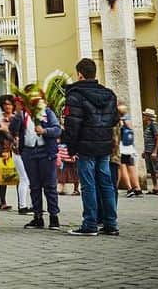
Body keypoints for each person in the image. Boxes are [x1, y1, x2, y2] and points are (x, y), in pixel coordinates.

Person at [62, 58, 120, 237]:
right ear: (94, 73)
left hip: (85, 146)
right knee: (106, 184)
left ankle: (90, 223)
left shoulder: (75, 96)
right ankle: (111, 223)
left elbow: (73, 125)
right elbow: (114, 120)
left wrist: (71, 149)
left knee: (88, 185)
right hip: (104, 145)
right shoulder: (109, 95)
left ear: (79, 74)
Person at [10, 87, 61, 230]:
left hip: (45, 152)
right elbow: (13, 129)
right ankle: (37, 217)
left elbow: (57, 129)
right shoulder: (24, 114)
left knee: (50, 186)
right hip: (29, 152)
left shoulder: (47, 112)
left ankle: (53, 217)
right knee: (34, 186)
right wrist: (18, 112)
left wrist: (45, 131)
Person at [117, 103, 141, 197]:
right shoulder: (128, 119)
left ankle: (129, 188)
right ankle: (137, 188)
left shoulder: (120, 121)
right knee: (131, 167)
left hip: (122, 148)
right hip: (129, 148)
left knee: (122, 168)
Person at [142, 108, 158, 196]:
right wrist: (145, 151)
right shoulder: (148, 126)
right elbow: (148, 140)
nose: (143, 116)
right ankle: (155, 187)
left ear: (148, 117)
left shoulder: (154, 125)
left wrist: (155, 151)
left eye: (145, 115)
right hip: (148, 151)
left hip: (154, 151)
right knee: (152, 170)